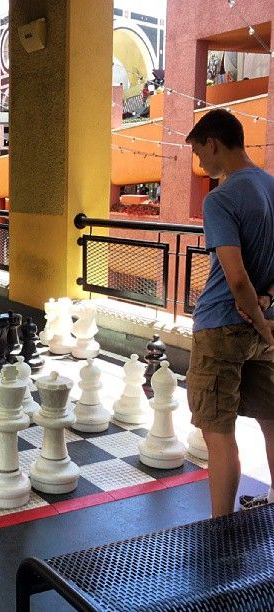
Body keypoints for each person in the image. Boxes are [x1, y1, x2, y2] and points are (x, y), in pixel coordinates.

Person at [184, 109, 274, 518]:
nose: (201, 163)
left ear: (214, 143)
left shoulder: (220, 198)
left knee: (218, 433)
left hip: (222, 327)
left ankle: (220, 529)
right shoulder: (272, 188)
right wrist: (266, 313)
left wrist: (255, 315)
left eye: (200, 153)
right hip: (266, 329)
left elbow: (236, 280)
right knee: (272, 422)